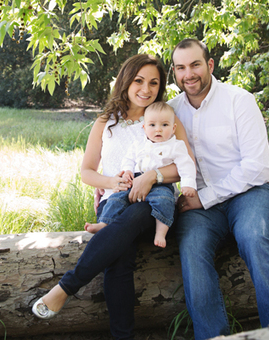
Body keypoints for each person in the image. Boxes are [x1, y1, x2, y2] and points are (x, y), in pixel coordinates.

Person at [30, 54, 191, 340]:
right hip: (114, 202)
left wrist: (150, 177)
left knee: (137, 214)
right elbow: (87, 171)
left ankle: (63, 289)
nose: (146, 89)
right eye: (139, 81)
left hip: (154, 205)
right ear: (125, 81)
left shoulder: (164, 119)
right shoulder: (107, 123)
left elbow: (186, 166)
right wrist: (113, 182)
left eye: (154, 82)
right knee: (120, 256)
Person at [168, 38, 269, 340]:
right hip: (201, 207)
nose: (189, 74)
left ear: (210, 65)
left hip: (250, 194)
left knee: (254, 237)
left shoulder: (238, 100)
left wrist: (206, 197)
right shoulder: (171, 111)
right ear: (174, 72)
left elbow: (258, 167)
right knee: (191, 248)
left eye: (195, 65)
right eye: (180, 67)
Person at [84, 101, 197, 248]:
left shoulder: (176, 146)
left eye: (164, 125)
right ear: (144, 128)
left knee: (164, 201)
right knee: (117, 198)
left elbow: (186, 165)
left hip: (161, 185)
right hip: (135, 181)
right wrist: (127, 171)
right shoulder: (140, 143)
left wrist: (188, 185)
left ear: (173, 128)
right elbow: (129, 158)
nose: (158, 130)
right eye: (152, 125)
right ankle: (104, 222)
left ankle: (161, 232)